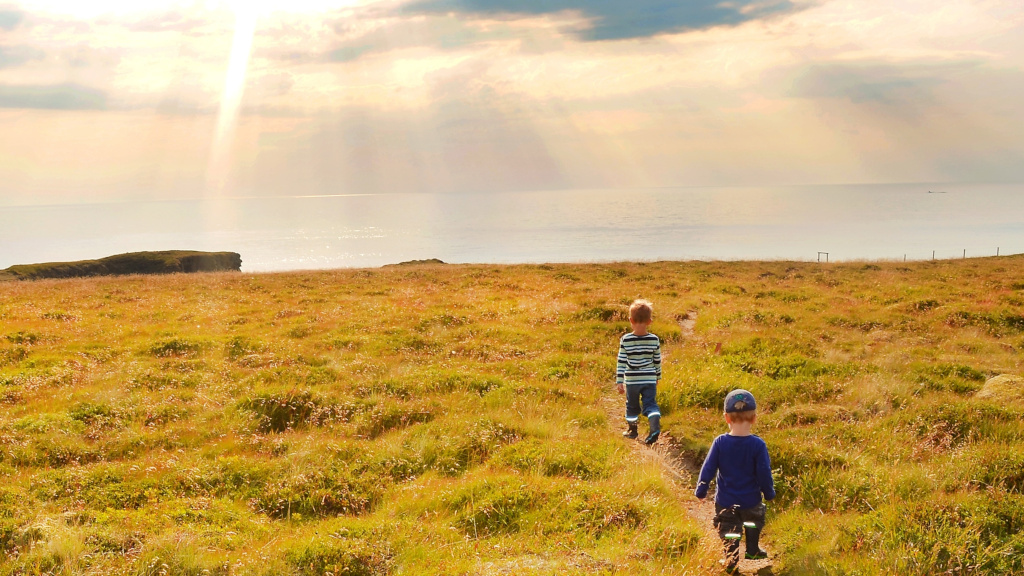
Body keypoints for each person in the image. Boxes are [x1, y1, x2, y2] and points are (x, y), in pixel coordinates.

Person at [694, 389, 775, 573]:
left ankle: (731, 560)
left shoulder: (720, 442)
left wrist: (701, 490)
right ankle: (753, 549)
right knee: (753, 522)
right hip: (751, 500)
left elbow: (708, 468)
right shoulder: (758, 445)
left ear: (726, 418)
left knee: (730, 530)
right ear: (754, 418)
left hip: (725, 501)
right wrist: (769, 493)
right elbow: (764, 472)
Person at [615, 299, 662, 445]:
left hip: (633, 380)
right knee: (650, 404)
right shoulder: (654, 339)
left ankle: (632, 431)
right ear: (650, 321)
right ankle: (654, 425)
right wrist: (657, 376)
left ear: (631, 320)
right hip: (649, 378)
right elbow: (657, 361)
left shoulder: (626, 340)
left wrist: (619, 380)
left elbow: (621, 361)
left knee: (632, 405)